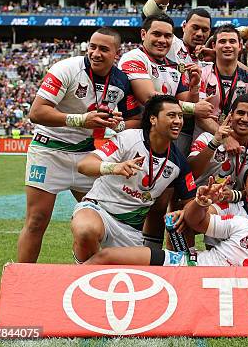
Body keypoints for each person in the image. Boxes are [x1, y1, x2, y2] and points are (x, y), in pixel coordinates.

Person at [18, 27, 141, 263]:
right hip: (48, 150)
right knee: (36, 220)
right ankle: (17, 291)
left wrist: (117, 126)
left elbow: (134, 119)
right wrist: (80, 120)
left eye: (104, 49)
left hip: (86, 155)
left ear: (117, 53)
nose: (95, 53)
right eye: (92, 47)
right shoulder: (66, 68)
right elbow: (37, 112)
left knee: (106, 218)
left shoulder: (121, 80)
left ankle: (92, 278)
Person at [70, 95, 196, 263]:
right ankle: (80, 277)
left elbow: (189, 201)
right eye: (171, 115)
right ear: (153, 119)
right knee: (86, 230)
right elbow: (84, 165)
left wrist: (191, 207)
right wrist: (114, 168)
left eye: (180, 116)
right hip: (99, 209)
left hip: (131, 230)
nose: (178, 121)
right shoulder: (128, 138)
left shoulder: (179, 163)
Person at [84, 178, 248, 267]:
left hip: (209, 292)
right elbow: (197, 222)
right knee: (107, 256)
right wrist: (200, 203)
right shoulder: (245, 226)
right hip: (186, 264)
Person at [118, 14, 213, 154]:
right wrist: (194, 107)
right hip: (133, 137)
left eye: (168, 36)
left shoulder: (174, 67)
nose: (162, 40)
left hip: (162, 139)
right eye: (157, 34)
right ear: (143, 34)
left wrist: (194, 88)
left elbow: (186, 113)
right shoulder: (133, 57)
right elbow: (149, 98)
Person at [194, 25, 248, 142]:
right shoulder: (202, 73)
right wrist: (227, 139)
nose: (227, 46)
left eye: (232, 41)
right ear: (214, 46)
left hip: (238, 146)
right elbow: (200, 116)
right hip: (206, 142)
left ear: (240, 46)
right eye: (222, 41)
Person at [188, 94, 248, 189]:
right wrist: (214, 143)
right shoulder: (207, 138)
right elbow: (190, 174)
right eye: (240, 113)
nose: (244, 119)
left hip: (234, 202)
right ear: (231, 115)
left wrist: (234, 195)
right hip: (201, 199)